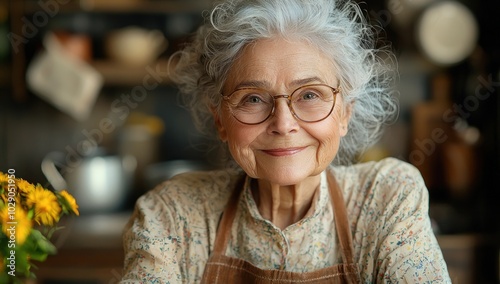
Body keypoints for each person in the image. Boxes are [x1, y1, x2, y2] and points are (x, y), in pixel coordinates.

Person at [121, 0, 451, 282]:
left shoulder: (387, 197)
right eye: (252, 99)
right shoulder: (172, 212)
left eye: (310, 94)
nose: (283, 124)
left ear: (345, 114)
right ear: (220, 119)